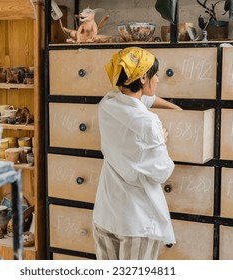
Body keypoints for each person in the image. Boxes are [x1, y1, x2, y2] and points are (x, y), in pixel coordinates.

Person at [92, 47, 181, 260]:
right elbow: (161, 172)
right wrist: (163, 140)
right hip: (136, 220)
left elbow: (138, 101)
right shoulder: (150, 124)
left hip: (106, 214)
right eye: (155, 74)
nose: (158, 79)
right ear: (143, 77)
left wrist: (175, 109)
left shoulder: (108, 103)